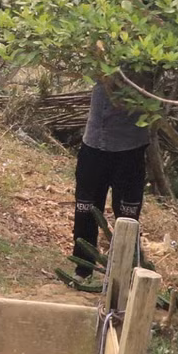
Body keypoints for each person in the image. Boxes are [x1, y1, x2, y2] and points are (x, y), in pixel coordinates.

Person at [73, 79, 152, 280]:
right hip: (93, 144)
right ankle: (82, 269)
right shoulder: (101, 53)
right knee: (85, 210)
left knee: (127, 217)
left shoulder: (146, 64)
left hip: (131, 148)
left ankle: (123, 274)